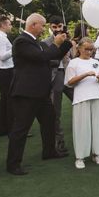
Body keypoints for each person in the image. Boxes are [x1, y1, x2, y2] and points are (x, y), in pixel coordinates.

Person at [6, 13, 72, 176]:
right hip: (27, 92)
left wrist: (67, 43)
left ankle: (49, 151)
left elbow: (53, 57)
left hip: (41, 92)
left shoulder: (35, 42)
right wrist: (56, 44)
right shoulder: (22, 41)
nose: (44, 29)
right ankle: (13, 164)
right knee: (21, 129)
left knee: (49, 120)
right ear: (33, 25)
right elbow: (43, 56)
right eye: (42, 26)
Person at [64, 37, 99, 169]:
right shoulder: (73, 63)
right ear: (79, 48)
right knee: (82, 127)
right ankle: (80, 157)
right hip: (81, 97)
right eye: (86, 49)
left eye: (91, 49)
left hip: (97, 95)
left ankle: (97, 153)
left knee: (98, 125)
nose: (89, 52)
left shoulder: (96, 62)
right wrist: (85, 75)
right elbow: (69, 82)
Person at [43, 16, 73, 155]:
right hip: (55, 77)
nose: (57, 29)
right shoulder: (45, 43)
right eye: (54, 27)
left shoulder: (69, 40)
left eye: (59, 26)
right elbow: (48, 61)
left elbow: (72, 59)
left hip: (71, 76)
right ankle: (59, 143)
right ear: (50, 27)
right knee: (56, 112)